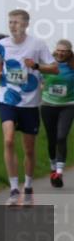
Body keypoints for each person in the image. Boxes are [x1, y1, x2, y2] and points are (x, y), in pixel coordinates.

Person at [0, 9, 55, 207]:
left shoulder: (37, 44)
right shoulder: (2, 43)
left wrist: (35, 66)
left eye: (16, 22)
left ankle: (28, 188)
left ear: (26, 24)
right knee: (9, 140)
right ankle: (13, 190)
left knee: (29, 149)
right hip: (7, 99)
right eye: (10, 22)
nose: (13, 25)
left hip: (29, 103)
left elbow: (54, 68)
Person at [39, 38, 73, 188]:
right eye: (58, 50)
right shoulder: (48, 64)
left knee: (61, 137)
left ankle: (59, 172)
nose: (60, 53)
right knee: (51, 139)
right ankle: (53, 167)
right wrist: (42, 85)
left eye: (64, 51)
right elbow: (39, 80)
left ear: (69, 53)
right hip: (48, 105)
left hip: (68, 106)